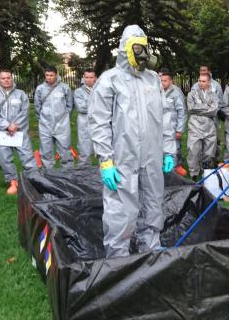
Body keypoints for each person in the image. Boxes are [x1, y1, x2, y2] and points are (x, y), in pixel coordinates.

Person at [89, 25, 176, 258]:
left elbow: (165, 117)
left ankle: (151, 247)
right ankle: (118, 257)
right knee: (121, 209)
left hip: (152, 155)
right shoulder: (109, 81)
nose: (141, 53)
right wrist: (106, 160)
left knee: (153, 202)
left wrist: (168, 150)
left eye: (143, 46)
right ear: (124, 48)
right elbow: (99, 123)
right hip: (122, 156)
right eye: (136, 47)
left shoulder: (153, 80)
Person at [0, 69, 37, 195]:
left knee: (27, 156)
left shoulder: (21, 94)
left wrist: (15, 126)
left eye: (8, 77)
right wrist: (7, 126)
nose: (6, 80)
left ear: (12, 78)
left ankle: (33, 180)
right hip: (1, 133)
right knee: (4, 158)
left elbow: (25, 111)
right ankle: (13, 181)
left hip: (20, 132)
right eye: (3, 78)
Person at [34, 66, 73, 169]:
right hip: (45, 125)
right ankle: (49, 176)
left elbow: (70, 105)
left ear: (56, 75)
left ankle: (68, 175)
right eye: (47, 75)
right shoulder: (40, 89)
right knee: (46, 152)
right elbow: (37, 107)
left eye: (51, 75)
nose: (49, 77)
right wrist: (43, 119)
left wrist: (64, 117)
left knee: (65, 151)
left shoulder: (65, 87)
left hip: (62, 125)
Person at [186, 74, 218, 181]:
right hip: (195, 126)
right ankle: (194, 174)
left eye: (204, 81)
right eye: (199, 81)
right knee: (193, 151)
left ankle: (207, 172)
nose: (201, 83)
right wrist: (206, 107)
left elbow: (214, 110)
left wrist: (198, 109)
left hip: (209, 127)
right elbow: (191, 108)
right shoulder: (191, 94)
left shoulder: (213, 95)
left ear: (209, 82)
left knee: (209, 152)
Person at [192, 65, 223, 160]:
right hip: (198, 120)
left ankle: (215, 160)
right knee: (200, 141)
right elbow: (193, 104)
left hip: (213, 119)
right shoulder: (195, 86)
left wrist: (208, 111)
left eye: (204, 70)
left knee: (214, 141)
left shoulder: (216, 85)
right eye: (201, 70)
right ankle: (202, 163)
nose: (202, 72)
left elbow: (219, 103)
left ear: (209, 71)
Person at [159, 69, 187, 175]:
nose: (162, 83)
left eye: (165, 81)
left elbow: (182, 111)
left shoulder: (176, 92)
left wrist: (180, 130)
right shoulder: (158, 91)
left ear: (170, 81)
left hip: (173, 127)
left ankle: (174, 172)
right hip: (161, 127)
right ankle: (163, 171)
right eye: (161, 80)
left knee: (173, 150)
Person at [74, 68, 97, 165]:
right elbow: (81, 108)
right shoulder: (78, 92)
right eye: (87, 77)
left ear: (95, 78)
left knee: (104, 152)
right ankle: (83, 176)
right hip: (85, 125)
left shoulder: (101, 90)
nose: (89, 79)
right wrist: (98, 106)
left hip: (99, 124)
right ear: (83, 78)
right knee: (84, 153)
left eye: (91, 77)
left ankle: (103, 177)